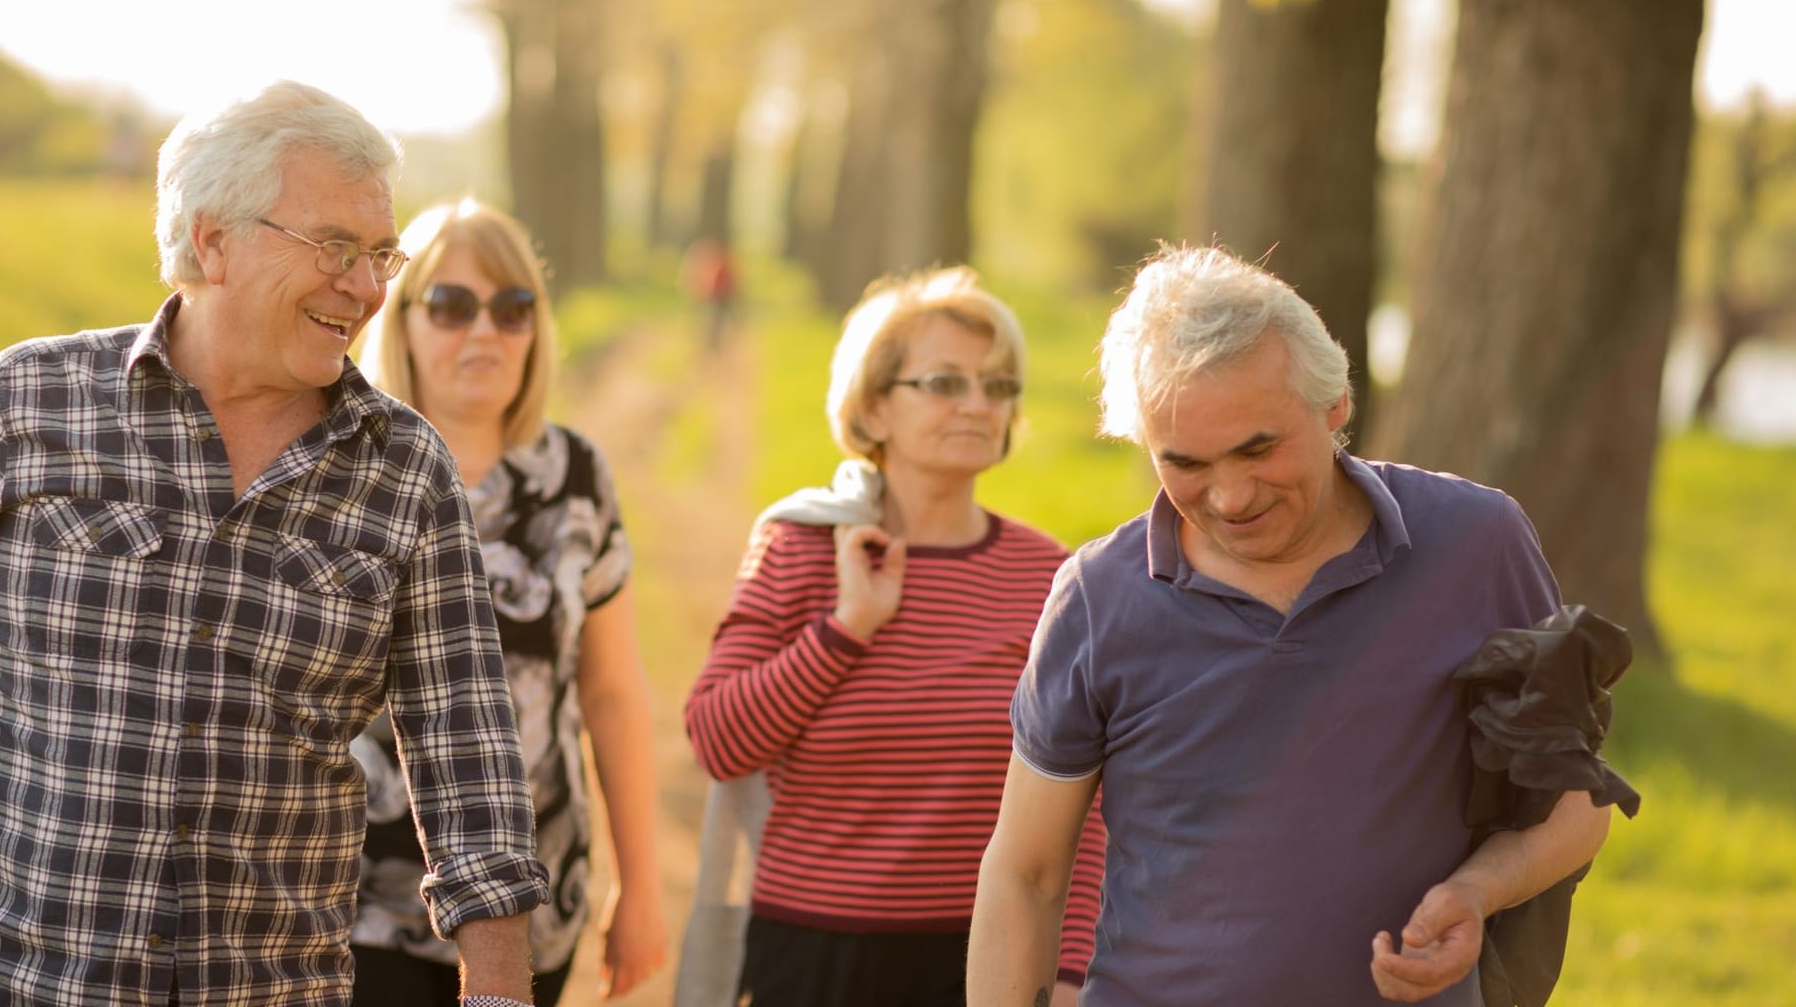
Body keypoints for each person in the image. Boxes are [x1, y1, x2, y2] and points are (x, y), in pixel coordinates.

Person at [0, 82, 548, 1007]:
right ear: (211, 239)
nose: (366, 286)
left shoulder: (405, 472)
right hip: (20, 985)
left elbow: (469, 754)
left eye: (379, 254)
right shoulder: (27, 405)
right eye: (335, 248)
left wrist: (500, 993)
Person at [965, 245, 1616, 1006]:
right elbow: (1027, 874)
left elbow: (1578, 802)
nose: (1231, 497)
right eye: (1187, 464)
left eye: (1259, 448)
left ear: (1335, 402)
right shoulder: (1099, 596)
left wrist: (1479, 890)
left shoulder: (1478, 543)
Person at [684, 267, 1105, 1007]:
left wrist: (1069, 973)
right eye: (944, 383)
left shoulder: (1054, 575)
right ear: (874, 408)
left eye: (997, 386)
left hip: (986, 959)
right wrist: (847, 628)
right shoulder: (800, 547)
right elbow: (718, 740)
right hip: (814, 959)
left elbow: (1086, 809)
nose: (978, 404)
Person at [350, 198, 667, 1006]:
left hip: (534, 898)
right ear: (405, 321)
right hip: (354, 904)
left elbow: (612, 694)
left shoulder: (578, 477)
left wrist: (642, 885)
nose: (485, 332)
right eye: (452, 306)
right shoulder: (343, 468)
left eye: (512, 307)